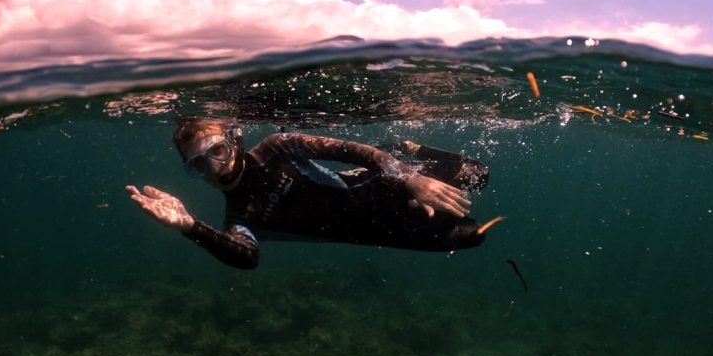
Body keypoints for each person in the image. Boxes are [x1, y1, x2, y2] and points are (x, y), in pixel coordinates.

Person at [126, 117, 499, 269]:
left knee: (479, 175)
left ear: (234, 143)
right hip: (379, 232)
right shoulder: (241, 218)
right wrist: (189, 225)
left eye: (217, 152)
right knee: (472, 237)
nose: (214, 168)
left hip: (383, 183)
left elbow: (356, 153)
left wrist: (409, 179)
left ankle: (407, 147)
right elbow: (246, 258)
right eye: (197, 166)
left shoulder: (278, 147)